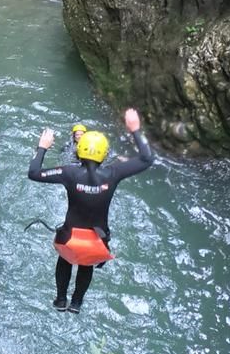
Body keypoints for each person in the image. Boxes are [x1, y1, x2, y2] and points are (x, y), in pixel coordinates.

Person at [27, 108, 155, 312]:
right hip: (97, 240)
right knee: (86, 263)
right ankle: (76, 303)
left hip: (69, 237)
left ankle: (61, 299)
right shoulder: (113, 173)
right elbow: (147, 159)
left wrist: (42, 147)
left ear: (79, 151)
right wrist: (135, 129)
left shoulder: (69, 172)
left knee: (66, 259)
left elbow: (34, 173)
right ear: (104, 154)